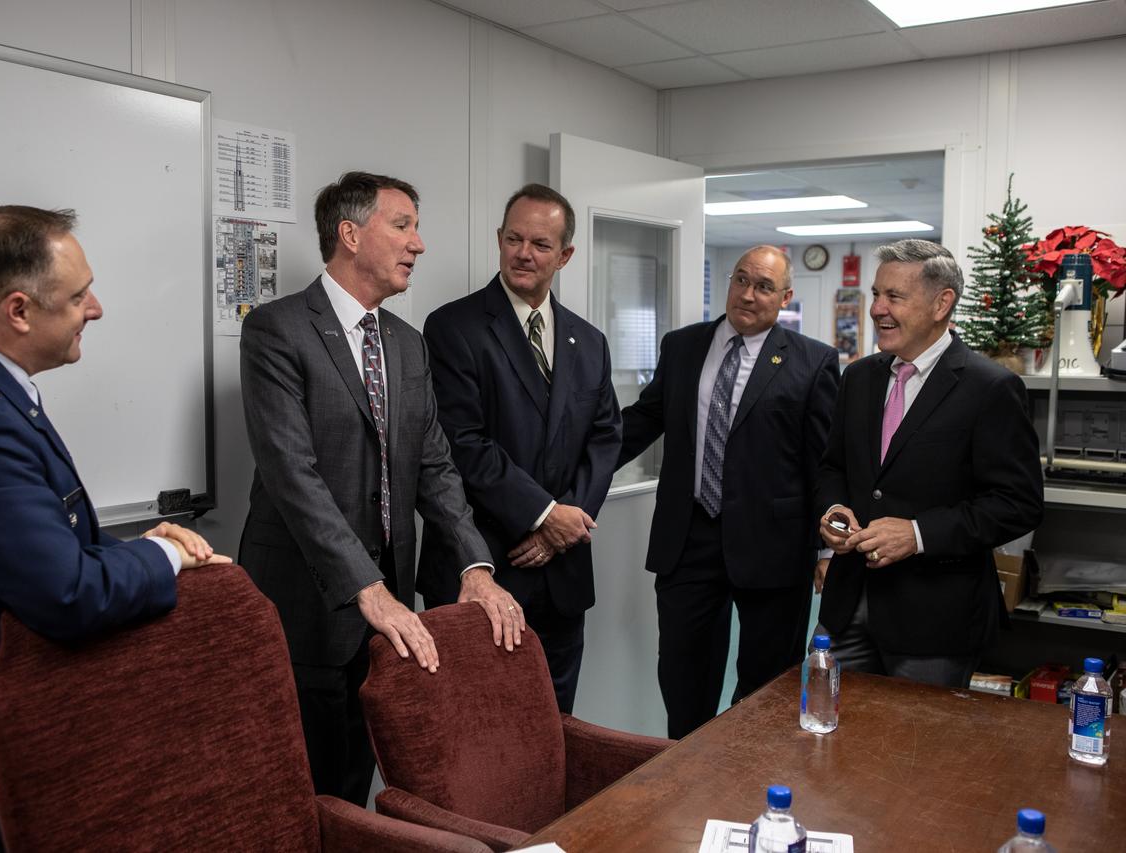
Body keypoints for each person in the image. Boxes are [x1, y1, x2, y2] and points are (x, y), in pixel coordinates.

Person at [0, 205, 229, 853]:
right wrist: (163, 554)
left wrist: (132, 551)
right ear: (18, 310)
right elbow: (68, 592)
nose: (95, 307)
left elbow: (42, 551)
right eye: (76, 296)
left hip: (15, 736)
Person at [237, 171, 524, 806]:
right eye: (402, 225)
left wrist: (474, 565)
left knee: (359, 785)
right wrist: (366, 590)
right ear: (349, 234)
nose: (418, 243)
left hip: (387, 608)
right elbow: (293, 476)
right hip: (307, 603)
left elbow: (436, 468)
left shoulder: (406, 342)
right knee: (302, 794)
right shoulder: (276, 331)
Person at [618, 245, 839, 739]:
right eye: (741, 280)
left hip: (775, 547)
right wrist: (577, 474)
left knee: (766, 687)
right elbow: (642, 422)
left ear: (785, 297)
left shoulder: (813, 362)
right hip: (688, 539)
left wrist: (827, 546)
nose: (748, 294)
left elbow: (821, 461)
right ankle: (686, 782)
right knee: (683, 678)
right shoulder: (682, 346)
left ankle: (753, 781)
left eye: (764, 287)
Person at [418, 184, 620, 713]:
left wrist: (564, 528)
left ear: (565, 255)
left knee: (556, 725)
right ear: (499, 239)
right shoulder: (452, 328)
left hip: (562, 577)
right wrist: (542, 514)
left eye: (540, 244)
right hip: (483, 566)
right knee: (476, 730)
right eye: (513, 239)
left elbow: (604, 438)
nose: (523, 253)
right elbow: (461, 444)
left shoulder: (589, 341)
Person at [815, 239, 1043, 686]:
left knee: (914, 754)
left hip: (934, 624)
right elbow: (832, 466)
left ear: (942, 303)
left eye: (893, 297)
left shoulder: (990, 388)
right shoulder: (859, 377)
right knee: (826, 739)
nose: (877, 308)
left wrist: (918, 534)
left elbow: (1018, 503)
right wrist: (832, 511)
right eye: (876, 294)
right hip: (845, 608)